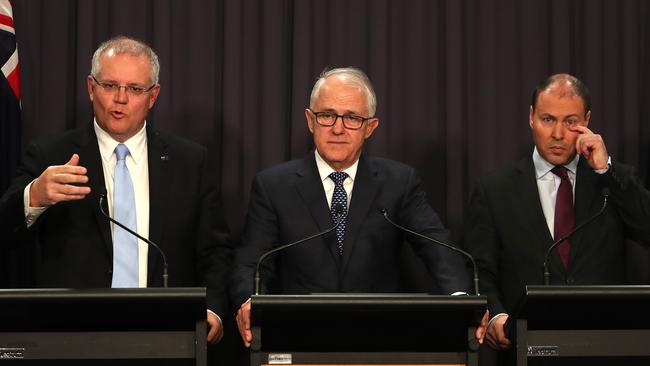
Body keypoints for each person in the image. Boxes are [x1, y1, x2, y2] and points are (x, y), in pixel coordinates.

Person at [230, 67, 486, 347]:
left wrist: (462, 300)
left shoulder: (398, 182)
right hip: (298, 337)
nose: (338, 128)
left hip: (379, 338)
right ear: (310, 120)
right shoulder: (273, 186)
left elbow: (438, 247)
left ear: (370, 127)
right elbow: (251, 263)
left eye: (352, 118)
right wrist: (248, 301)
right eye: (327, 115)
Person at [0, 36, 232, 343]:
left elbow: (215, 251)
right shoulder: (50, 155)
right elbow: (4, 228)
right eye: (110, 85)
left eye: (134, 89)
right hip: (73, 337)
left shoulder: (190, 162)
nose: (120, 98)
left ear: (153, 96)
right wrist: (34, 196)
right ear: (91, 88)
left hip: (166, 336)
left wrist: (213, 310)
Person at [463, 74, 650, 355]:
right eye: (548, 119)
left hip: (605, 346)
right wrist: (497, 316)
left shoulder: (613, 180)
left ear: (587, 121)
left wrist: (604, 171)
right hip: (525, 348)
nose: (558, 134)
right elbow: (480, 270)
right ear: (531, 117)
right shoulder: (494, 190)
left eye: (571, 122)